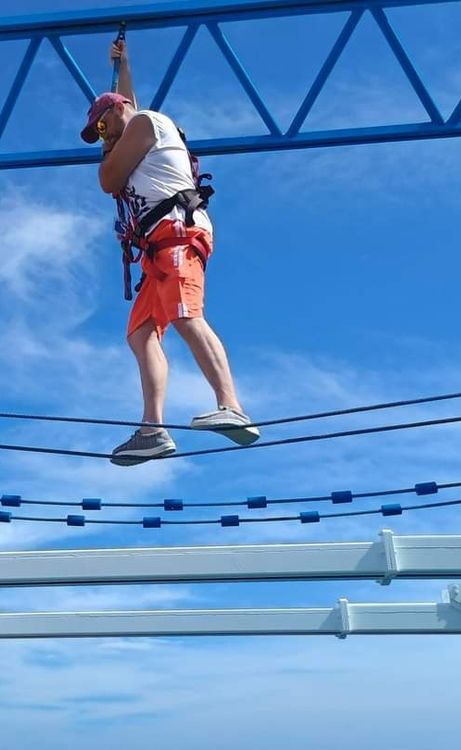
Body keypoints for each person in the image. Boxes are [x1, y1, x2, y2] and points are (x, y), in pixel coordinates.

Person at [81, 38, 259, 466]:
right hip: (155, 247)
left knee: (184, 313)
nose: (101, 137)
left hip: (176, 232)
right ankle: (152, 429)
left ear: (115, 113)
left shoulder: (145, 123)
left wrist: (109, 141)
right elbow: (126, 104)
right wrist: (124, 64)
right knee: (140, 334)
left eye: (101, 127)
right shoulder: (134, 123)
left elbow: (108, 178)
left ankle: (231, 404)